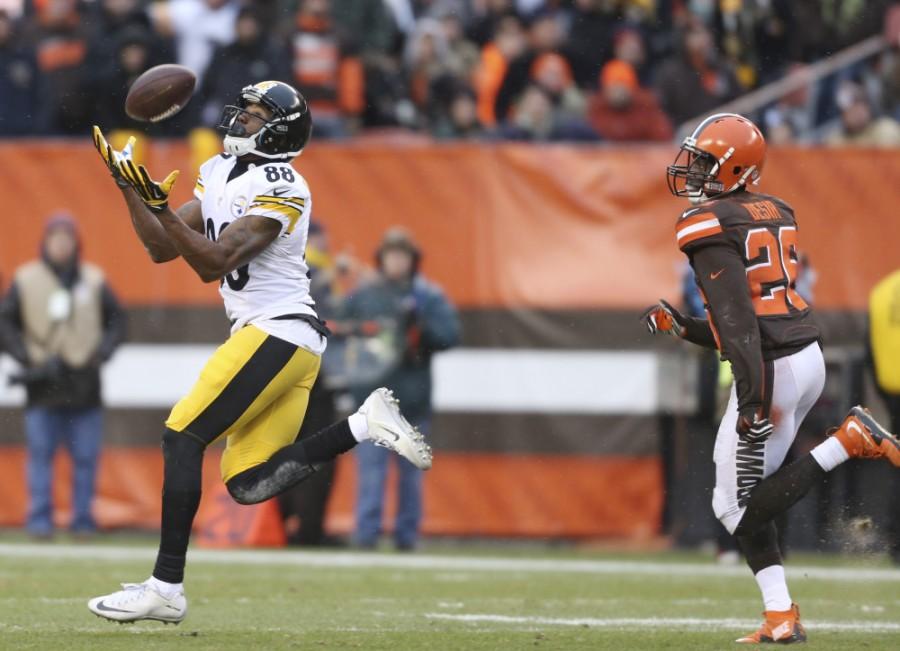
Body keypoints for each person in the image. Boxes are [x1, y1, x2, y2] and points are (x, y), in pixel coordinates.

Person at [88, 80, 432, 624]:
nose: (241, 119)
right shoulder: (222, 171)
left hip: (278, 330)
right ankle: (363, 425)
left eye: (253, 114)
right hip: (281, 340)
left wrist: (163, 210)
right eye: (244, 110)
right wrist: (128, 188)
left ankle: (165, 586)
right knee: (247, 483)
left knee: (182, 437)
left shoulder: (285, 184)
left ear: (280, 129)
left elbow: (212, 262)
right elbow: (160, 246)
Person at [642, 113, 900, 644]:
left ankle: (847, 441)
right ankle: (780, 616)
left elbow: (739, 323)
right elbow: (746, 316)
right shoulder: (772, 209)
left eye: (705, 162)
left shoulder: (707, 223)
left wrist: (754, 397)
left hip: (772, 365)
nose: (692, 171)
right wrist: (684, 327)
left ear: (734, 167)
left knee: (733, 506)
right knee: (748, 498)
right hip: (801, 354)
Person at [0, 214, 125, 538]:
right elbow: (6, 322)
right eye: (55, 238)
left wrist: (101, 353)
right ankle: (40, 520)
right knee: (41, 454)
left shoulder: (93, 279)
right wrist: (25, 356)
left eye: (67, 238)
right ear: (45, 242)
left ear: (75, 243)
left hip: (84, 382)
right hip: (44, 382)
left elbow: (117, 320)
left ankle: (82, 520)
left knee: (85, 457)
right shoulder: (26, 278)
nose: (61, 245)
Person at [336, 228, 460, 551]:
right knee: (371, 474)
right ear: (381, 259)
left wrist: (420, 325)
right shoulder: (363, 295)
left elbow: (450, 336)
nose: (396, 261)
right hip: (371, 399)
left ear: (412, 260)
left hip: (412, 399)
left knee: (411, 475)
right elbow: (338, 330)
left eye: (402, 255)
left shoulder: (427, 296)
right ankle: (366, 536)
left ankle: (407, 538)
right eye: (391, 255)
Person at [867, 269, 900, 564]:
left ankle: (895, 541)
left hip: (892, 391)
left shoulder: (882, 290)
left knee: (898, 464)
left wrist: (881, 390)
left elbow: (870, 349)